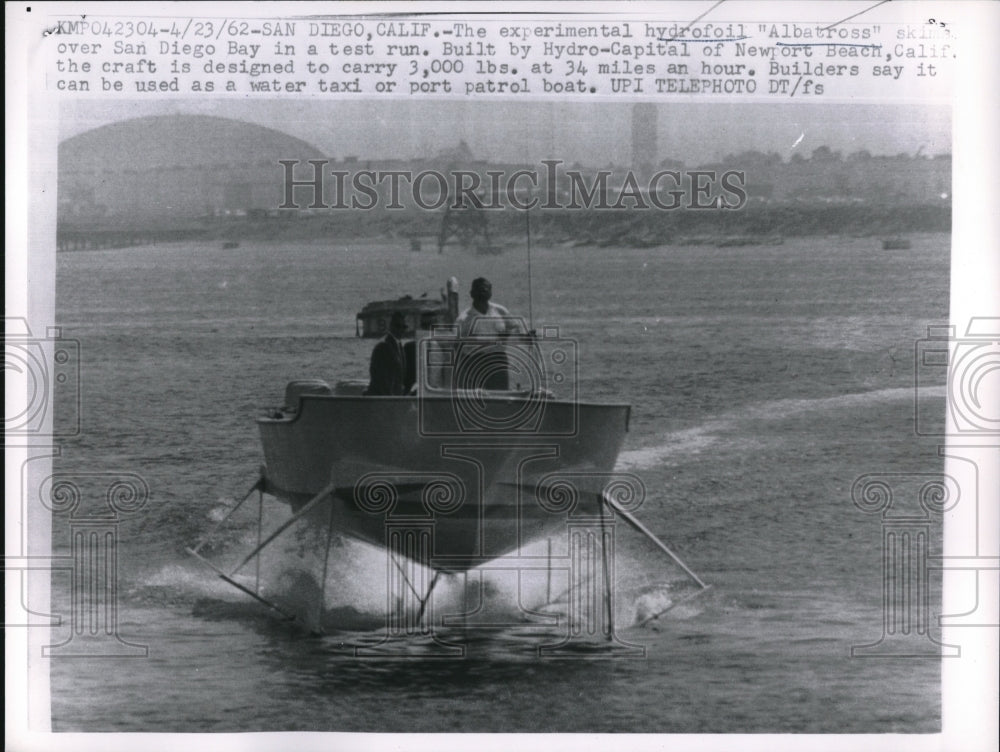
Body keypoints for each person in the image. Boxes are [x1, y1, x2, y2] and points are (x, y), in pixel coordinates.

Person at [455, 278, 526, 391]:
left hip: (498, 360)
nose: (484, 290)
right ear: (472, 293)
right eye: (480, 289)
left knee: (500, 399)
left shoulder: (501, 311)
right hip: (473, 362)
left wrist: (514, 335)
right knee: (473, 401)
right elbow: (456, 345)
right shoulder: (463, 319)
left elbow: (515, 328)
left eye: (487, 288)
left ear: (491, 292)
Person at [365, 311, 408, 396]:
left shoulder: (399, 346)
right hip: (382, 399)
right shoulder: (383, 346)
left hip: (394, 399)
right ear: (391, 326)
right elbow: (380, 378)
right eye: (398, 326)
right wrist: (389, 400)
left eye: (404, 327)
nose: (401, 330)